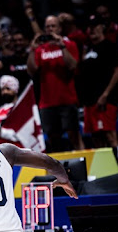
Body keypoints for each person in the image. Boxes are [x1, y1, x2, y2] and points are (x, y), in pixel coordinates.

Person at [28, 15, 83, 152]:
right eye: (47, 27)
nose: (50, 29)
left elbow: (72, 66)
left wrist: (62, 46)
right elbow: (32, 70)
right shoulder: (41, 49)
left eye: (53, 26)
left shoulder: (69, 44)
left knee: (74, 136)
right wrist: (32, 50)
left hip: (67, 99)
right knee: (53, 140)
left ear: (60, 28)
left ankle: (84, 167)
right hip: (47, 103)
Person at [79, 15, 118, 148]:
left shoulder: (109, 46)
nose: (91, 30)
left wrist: (105, 95)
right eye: (89, 27)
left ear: (102, 27)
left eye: (95, 26)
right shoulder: (88, 49)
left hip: (105, 100)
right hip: (90, 101)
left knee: (109, 136)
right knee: (95, 137)